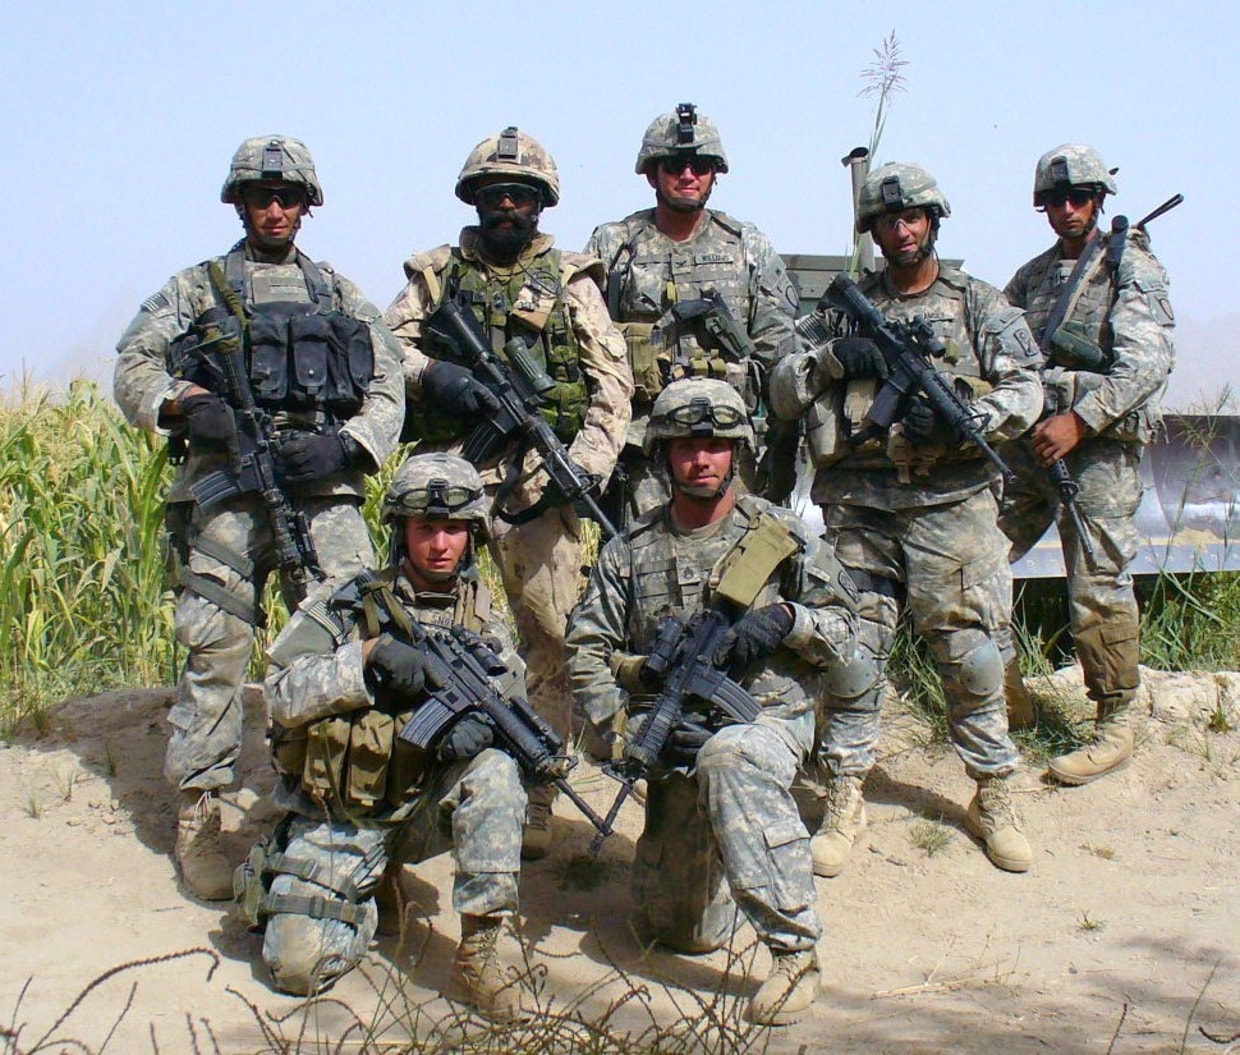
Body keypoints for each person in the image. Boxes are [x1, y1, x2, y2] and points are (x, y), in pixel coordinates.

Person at [113, 136, 404, 900]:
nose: (274, 209)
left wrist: (346, 444)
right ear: (239, 203)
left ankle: (341, 800)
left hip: (320, 489)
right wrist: (189, 407)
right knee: (215, 649)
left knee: (350, 637)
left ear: (307, 206)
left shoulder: (340, 295)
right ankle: (201, 813)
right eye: (260, 196)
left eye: (287, 197)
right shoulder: (196, 288)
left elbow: (388, 384)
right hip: (227, 488)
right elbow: (134, 365)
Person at [565, 378, 875, 1026]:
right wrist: (618, 725)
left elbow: (854, 631)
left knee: (730, 759)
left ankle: (796, 954)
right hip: (675, 722)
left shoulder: (779, 536)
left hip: (766, 717)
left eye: (714, 445)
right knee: (678, 930)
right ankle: (730, 857)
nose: (700, 459)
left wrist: (790, 619)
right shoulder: (632, 549)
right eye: (685, 446)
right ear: (664, 456)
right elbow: (585, 649)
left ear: (737, 452)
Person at [768, 163, 1043, 875]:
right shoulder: (840, 310)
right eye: (888, 221)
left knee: (974, 656)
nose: (902, 229)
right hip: (860, 507)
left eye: (914, 217)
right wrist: (835, 357)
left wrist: (965, 417)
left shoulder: (980, 305)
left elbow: (1028, 388)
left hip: (952, 508)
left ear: (934, 222)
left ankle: (993, 792)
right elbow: (781, 387)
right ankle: (846, 795)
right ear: (874, 232)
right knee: (852, 654)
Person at [383, 127, 631, 851]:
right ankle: (424, 780)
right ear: (476, 201)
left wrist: (578, 468)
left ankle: (535, 794)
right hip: (447, 485)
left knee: (549, 636)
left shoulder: (573, 280)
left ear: (541, 205)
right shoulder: (434, 276)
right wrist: (435, 375)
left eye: (522, 196)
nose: (508, 207)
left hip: (537, 486)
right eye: (495, 196)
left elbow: (611, 390)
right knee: (423, 629)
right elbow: (382, 346)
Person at [237, 453, 534, 1019]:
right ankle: (365, 894)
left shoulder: (484, 623)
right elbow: (279, 693)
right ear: (401, 530)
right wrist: (364, 659)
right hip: (346, 813)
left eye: (453, 529)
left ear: (472, 537)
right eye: (426, 528)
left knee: (498, 773)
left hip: (422, 806)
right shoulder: (346, 602)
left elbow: (514, 704)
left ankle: (480, 952)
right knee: (297, 968)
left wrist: (481, 729)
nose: (440, 544)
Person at [999, 144, 1175, 784]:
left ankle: (1116, 717)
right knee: (976, 559)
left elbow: (1147, 364)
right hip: (1032, 444)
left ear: (1100, 201)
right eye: (1055, 200)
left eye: (1080, 199)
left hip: (1096, 449)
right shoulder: (1032, 276)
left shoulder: (1130, 266)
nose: (1067, 210)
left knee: (1097, 582)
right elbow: (1001, 348)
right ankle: (1008, 691)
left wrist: (1083, 418)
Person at [584, 103, 801, 522]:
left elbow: (780, 353)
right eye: (675, 164)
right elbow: (585, 346)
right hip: (645, 448)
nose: (688, 175)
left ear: (715, 174)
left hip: (727, 443)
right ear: (652, 173)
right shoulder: (615, 246)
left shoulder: (746, 247)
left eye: (700, 165)